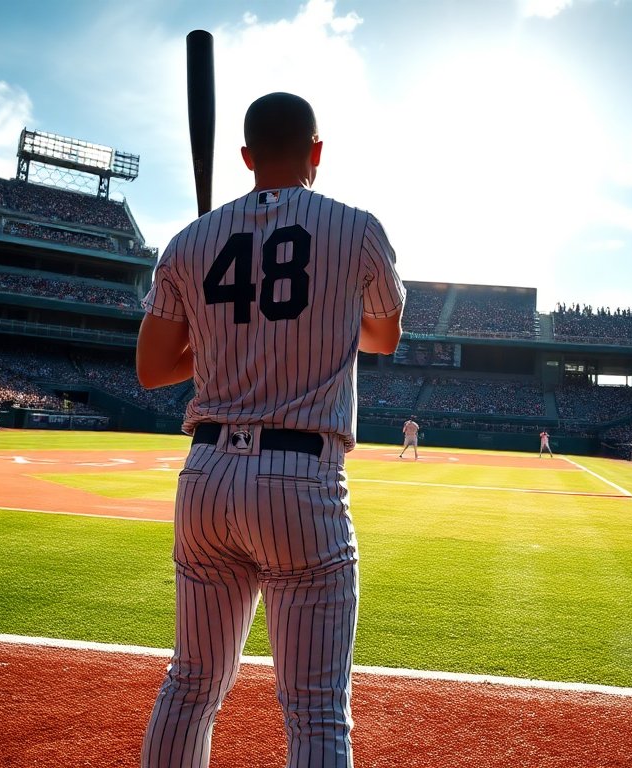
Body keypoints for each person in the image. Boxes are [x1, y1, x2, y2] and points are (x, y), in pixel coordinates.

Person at [135, 92, 405, 768]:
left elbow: (153, 368)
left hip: (205, 477)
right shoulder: (356, 229)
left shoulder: (189, 241)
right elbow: (383, 337)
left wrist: (218, 333)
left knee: (191, 684)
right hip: (300, 478)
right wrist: (319, 319)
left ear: (246, 156)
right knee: (315, 710)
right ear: (317, 151)